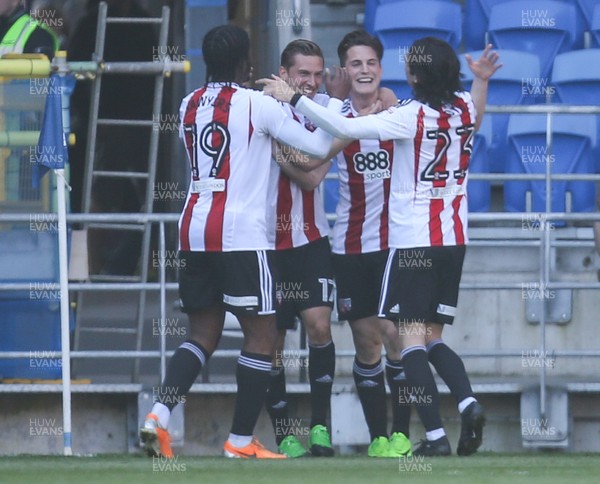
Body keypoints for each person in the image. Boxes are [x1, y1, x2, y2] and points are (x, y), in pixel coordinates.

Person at [259, 37, 501, 456]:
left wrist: (293, 97)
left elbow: (346, 129)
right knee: (431, 339)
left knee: (407, 343)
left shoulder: (406, 115)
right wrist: (482, 82)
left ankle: (437, 438)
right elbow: (476, 114)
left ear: (413, 75)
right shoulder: (463, 107)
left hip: (410, 244)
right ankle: (466, 401)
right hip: (453, 239)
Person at [139, 24, 342, 460]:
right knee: (262, 335)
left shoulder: (188, 103)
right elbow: (316, 145)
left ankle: (157, 415)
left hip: (194, 229)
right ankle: (239, 440)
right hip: (242, 234)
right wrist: (309, 103)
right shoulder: (258, 103)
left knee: (201, 334)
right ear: (245, 63)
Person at [330, 30, 412, 458]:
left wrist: (392, 98)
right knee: (366, 343)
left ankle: (402, 434)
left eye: (370, 64)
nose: (364, 71)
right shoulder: (333, 116)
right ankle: (377, 437)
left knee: (395, 335)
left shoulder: (398, 112)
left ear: (381, 68)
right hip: (350, 246)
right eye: (355, 64)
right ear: (346, 71)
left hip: (394, 244)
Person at [265, 39, 336, 459]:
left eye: (317, 73)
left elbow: (312, 176)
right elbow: (310, 162)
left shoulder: (329, 108)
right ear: (284, 72)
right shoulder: (260, 106)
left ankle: (321, 428)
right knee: (271, 340)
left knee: (320, 328)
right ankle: (284, 435)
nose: (311, 83)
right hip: (266, 243)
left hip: (310, 239)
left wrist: (284, 155)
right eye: (302, 74)